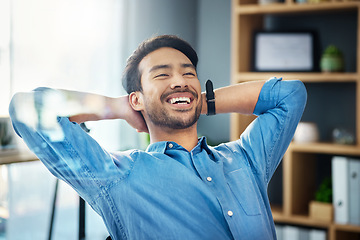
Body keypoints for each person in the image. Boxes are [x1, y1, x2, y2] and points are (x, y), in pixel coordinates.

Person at [9, 35, 307, 240]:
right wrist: (119, 107)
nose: (179, 80)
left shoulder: (245, 159)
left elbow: (289, 95)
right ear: (136, 98)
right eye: (162, 75)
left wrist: (195, 100)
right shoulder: (117, 176)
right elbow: (27, 109)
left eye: (188, 74)